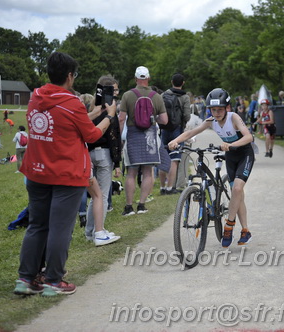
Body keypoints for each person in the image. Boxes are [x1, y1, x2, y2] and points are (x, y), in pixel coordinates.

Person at [14, 52, 116, 296]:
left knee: (37, 226)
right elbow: (91, 135)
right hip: (65, 174)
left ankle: (26, 279)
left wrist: (95, 112)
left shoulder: (35, 98)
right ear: (70, 76)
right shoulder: (71, 103)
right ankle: (53, 280)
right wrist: (109, 116)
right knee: (60, 227)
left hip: (37, 171)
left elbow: (72, 121)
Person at [168, 88, 254, 247]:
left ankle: (229, 226)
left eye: (220, 109)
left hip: (244, 154)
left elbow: (249, 137)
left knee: (236, 189)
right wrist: (175, 141)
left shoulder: (233, 117)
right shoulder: (211, 121)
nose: (217, 113)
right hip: (230, 156)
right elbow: (191, 133)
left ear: (227, 108)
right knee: (237, 192)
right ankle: (245, 230)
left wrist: (231, 145)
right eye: (213, 110)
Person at [118, 66, 168, 215]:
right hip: (150, 137)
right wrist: (153, 118)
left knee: (131, 172)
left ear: (135, 79)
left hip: (133, 135)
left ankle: (128, 207)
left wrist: (120, 140)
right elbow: (164, 120)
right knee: (147, 172)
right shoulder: (156, 96)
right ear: (148, 79)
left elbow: (121, 119)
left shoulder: (127, 95)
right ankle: (141, 205)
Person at [84, 75, 122, 245]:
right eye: (114, 89)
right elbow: (114, 137)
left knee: (94, 195)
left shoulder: (91, 107)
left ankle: (91, 231)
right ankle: (98, 230)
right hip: (104, 153)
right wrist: (117, 162)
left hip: (89, 153)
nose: (117, 92)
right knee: (103, 195)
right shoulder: (110, 109)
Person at [159, 73, 191, 195]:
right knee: (174, 159)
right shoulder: (185, 97)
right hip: (177, 130)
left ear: (171, 81)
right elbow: (187, 116)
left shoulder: (163, 95)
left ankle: (162, 187)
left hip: (164, 129)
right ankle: (170, 187)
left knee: (163, 158)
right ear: (183, 83)